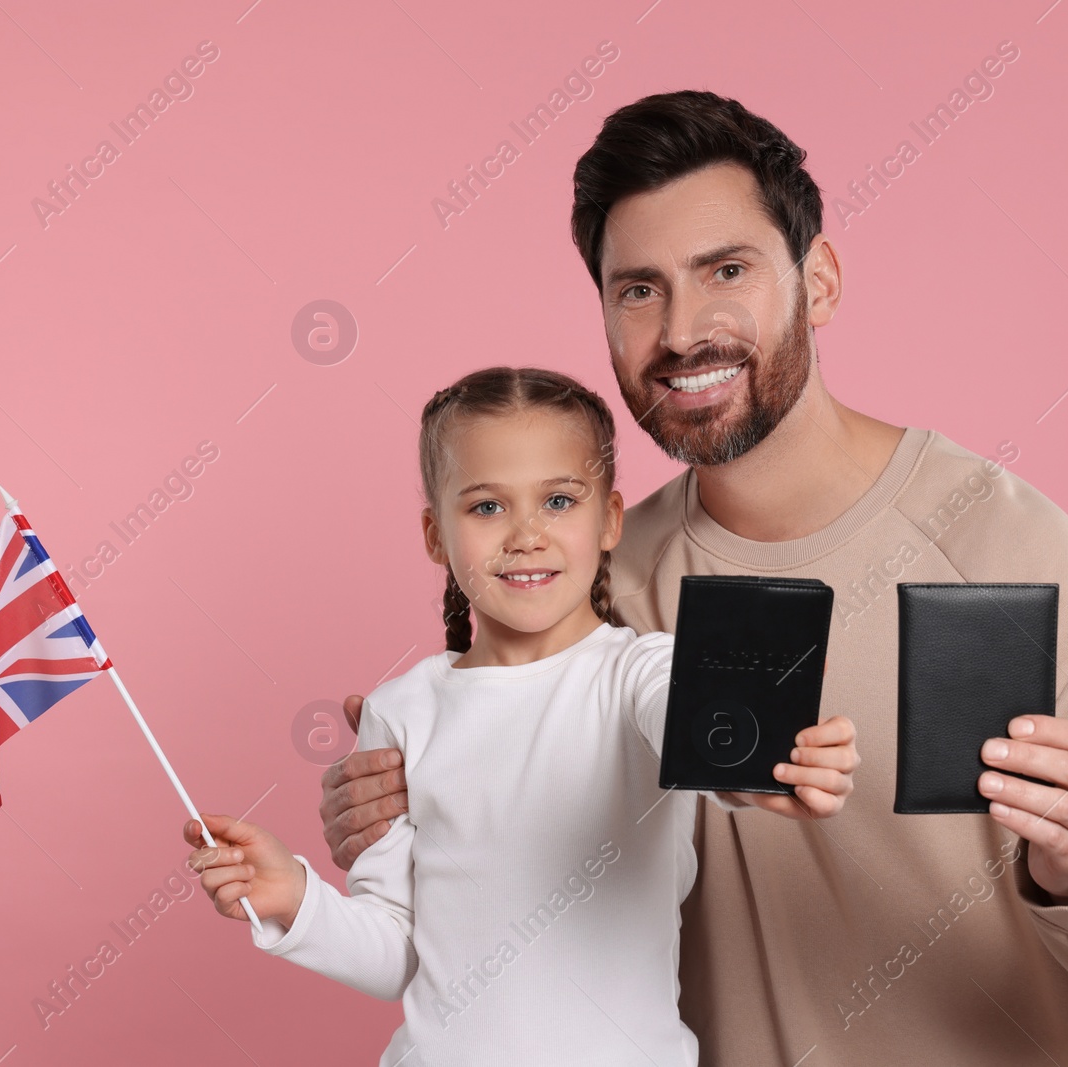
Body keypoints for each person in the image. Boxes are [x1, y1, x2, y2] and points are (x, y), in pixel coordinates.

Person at [319, 91, 1068, 1065]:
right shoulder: (592, 590)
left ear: (820, 279)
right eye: (637, 290)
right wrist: (411, 820)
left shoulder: (1005, 545)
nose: (680, 331)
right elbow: (512, 916)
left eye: (726, 271)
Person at [183, 366, 859, 1066]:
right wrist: (293, 900)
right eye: (486, 507)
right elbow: (398, 955)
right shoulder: (401, 711)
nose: (527, 534)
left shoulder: (641, 673)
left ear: (610, 521)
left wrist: (770, 763)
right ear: (435, 535)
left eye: (560, 500)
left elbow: (695, 727)